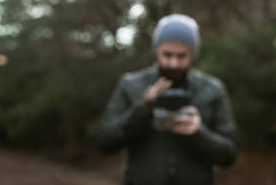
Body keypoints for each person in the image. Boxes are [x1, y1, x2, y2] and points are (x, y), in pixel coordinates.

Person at [96, 14, 238, 185]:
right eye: (167, 54)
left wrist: (199, 133)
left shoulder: (212, 89)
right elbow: (105, 142)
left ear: (193, 53)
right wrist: (143, 109)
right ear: (156, 50)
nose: (174, 63)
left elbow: (229, 155)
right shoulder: (131, 85)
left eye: (181, 56)